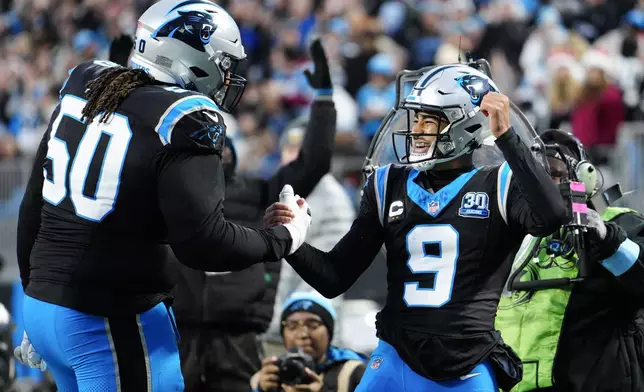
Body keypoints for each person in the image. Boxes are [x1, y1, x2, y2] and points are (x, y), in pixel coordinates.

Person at [12, 0, 311, 390]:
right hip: (106, 320)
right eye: (222, 63)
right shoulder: (186, 117)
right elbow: (203, 245)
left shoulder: (89, 82)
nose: (226, 77)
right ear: (188, 55)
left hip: (44, 308)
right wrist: (281, 240)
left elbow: (33, 206)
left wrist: (37, 297)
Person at [264, 64, 568, 392]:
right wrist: (291, 241)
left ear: (465, 124)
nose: (418, 129)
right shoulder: (388, 183)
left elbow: (551, 216)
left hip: (465, 361)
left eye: (430, 120)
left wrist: (508, 138)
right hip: (395, 355)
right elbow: (334, 277)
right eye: (416, 118)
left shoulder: (499, 183)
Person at [169, 41, 337, 392]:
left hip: (240, 335)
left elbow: (315, 162)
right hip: (177, 332)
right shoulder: (171, 189)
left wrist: (322, 98)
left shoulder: (260, 192)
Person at [495, 129, 644, 392]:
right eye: (533, 175)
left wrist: (607, 239)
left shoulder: (619, 221)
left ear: (584, 178)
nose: (542, 186)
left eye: (553, 173)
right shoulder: (506, 228)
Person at [251, 292, 367, 392]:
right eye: (292, 326)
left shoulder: (354, 373)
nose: (302, 334)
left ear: (329, 332)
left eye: (313, 325)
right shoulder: (271, 375)